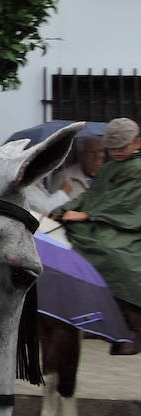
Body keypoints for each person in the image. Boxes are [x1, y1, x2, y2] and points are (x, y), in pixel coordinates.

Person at [53, 117, 141, 354]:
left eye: (121, 147)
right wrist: (62, 210)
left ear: (137, 143)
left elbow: (123, 202)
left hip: (127, 226)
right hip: (105, 219)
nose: (116, 153)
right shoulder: (111, 167)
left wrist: (87, 215)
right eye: (112, 148)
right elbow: (92, 195)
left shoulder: (137, 168)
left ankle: (135, 325)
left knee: (112, 253)